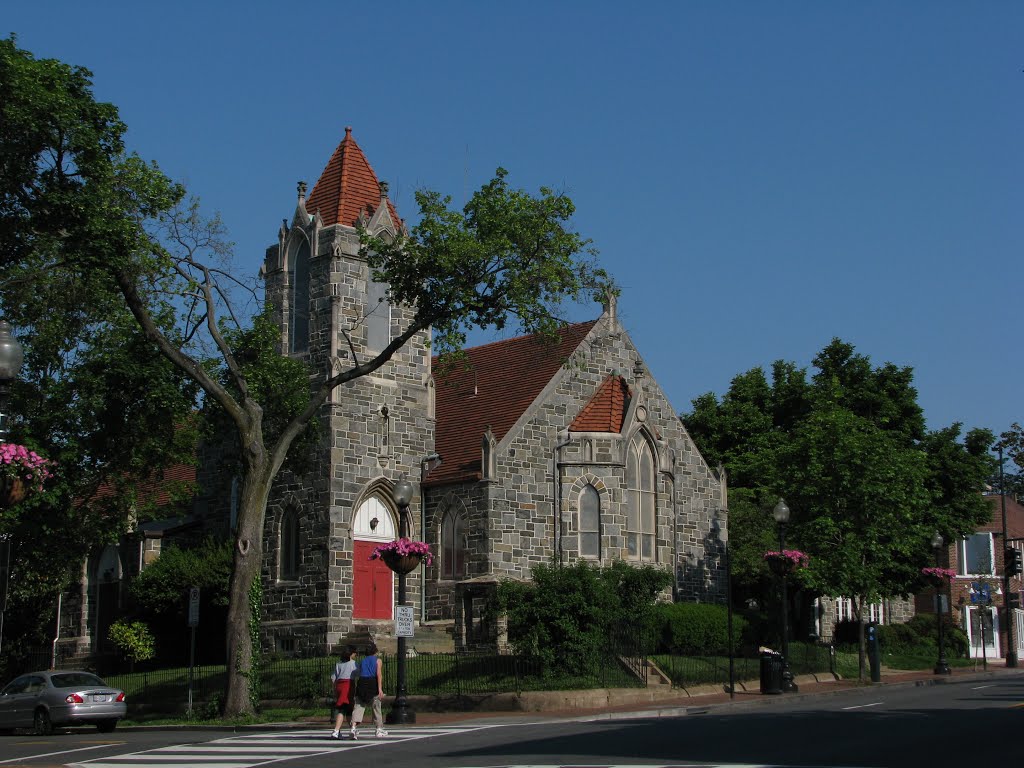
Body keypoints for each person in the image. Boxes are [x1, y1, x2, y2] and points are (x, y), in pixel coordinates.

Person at [350, 642, 387, 739]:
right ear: (375, 651)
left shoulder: (362, 661)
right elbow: (379, 675)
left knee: (359, 706)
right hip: (372, 682)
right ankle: (379, 728)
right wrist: (380, 689)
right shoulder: (378, 661)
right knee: (376, 705)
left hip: (362, 682)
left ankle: (353, 727)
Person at [329, 646, 357, 739]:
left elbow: (333, 678)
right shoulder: (353, 664)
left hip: (339, 685)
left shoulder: (338, 664)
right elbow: (358, 674)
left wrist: (334, 690)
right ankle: (336, 731)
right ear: (350, 654)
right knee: (344, 708)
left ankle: (352, 729)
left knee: (347, 708)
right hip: (348, 685)